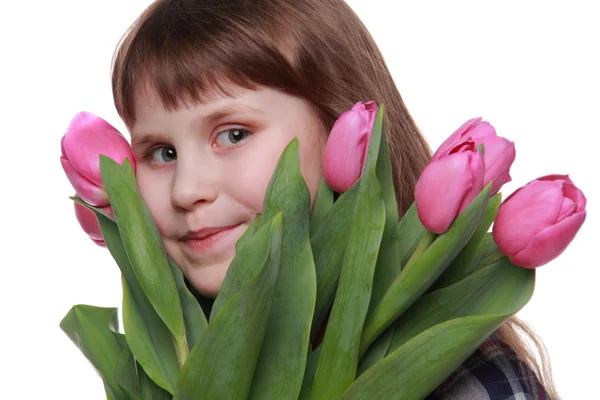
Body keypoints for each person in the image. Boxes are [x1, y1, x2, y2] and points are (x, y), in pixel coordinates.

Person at [110, 0, 558, 398]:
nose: (187, 190)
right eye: (161, 153)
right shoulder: (167, 366)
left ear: (341, 125)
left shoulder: (475, 384)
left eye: (233, 134)